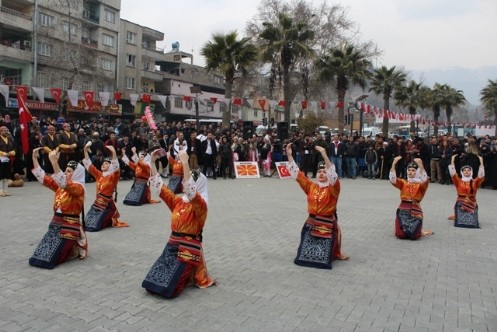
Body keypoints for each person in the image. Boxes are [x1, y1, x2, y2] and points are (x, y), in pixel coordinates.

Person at [142, 149, 215, 298]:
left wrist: (186, 163)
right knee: (151, 284)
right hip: (172, 245)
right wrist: (153, 162)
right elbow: (160, 189)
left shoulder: (201, 206)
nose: (183, 183)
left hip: (187, 249)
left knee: (168, 288)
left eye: (188, 181)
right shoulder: (178, 202)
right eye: (184, 180)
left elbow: (191, 192)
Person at [285, 144, 348, 269]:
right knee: (302, 259)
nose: (321, 174)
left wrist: (324, 155)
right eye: (319, 171)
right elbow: (298, 175)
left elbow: (333, 176)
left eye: (324, 172)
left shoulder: (333, 189)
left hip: (327, 223)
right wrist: (289, 155)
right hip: (311, 222)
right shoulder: (311, 187)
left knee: (323, 259)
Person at [29, 148, 88, 269]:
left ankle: (73, 246)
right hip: (56, 223)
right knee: (37, 257)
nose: (66, 173)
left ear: (77, 173)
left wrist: (54, 162)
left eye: (69, 171)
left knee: (51, 259)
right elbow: (44, 179)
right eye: (65, 171)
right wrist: (34, 158)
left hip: (69, 226)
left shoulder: (79, 188)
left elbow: (64, 182)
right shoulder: (61, 186)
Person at [82, 144, 128, 232]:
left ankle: (109, 219)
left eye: (106, 164)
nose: (103, 164)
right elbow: (89, 166)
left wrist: (114, 152)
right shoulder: (99, 175)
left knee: (93, 227)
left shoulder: (113, 176)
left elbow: (116, 168)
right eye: (103, 163)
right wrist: (85, 151)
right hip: (97, 205)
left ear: (110, 166)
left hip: (107, 206)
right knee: (86, 224)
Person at [389, 156, 433, 240]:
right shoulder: (403, 183)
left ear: (417, 172)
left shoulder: (421, 185)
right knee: (400, 235)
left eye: (413, 170)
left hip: (415, 211)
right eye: (409, 170)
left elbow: (425, 180)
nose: (410, 172)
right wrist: (393, 164)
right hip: (402, 209)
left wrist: (421, 166)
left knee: (414, 236)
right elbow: (393, 180)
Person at [448, 153, 485, 228]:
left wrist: (481, 162)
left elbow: (481, 175)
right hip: (460, 203)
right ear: (462, 172)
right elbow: (453, 173)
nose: (467, 171)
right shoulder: (458, 181)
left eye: (468, 170)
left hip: (472, 202)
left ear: (471, 172)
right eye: (464, 170)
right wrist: (452, 160)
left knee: (472, 222)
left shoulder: (475, 181)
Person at [0, 126, 15, 197]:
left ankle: (5, 190)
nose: (6, 132)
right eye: (4, 131)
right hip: (1, 159)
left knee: (6, 175)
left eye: (7, 130)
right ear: (1, 132)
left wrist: (12, 152)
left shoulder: (9, 139)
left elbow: (14, 147)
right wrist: (4, 154)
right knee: (1, 176)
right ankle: (1, 190)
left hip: (8, 159)